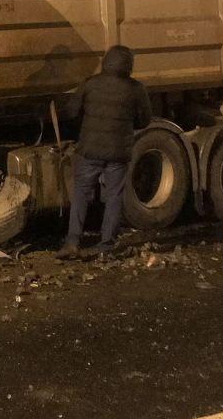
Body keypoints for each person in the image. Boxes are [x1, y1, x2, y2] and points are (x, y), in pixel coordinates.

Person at [57, 44, 152, 258]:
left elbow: (72, 112)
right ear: (129, 65)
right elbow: (145, 120)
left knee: (81, 193)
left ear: (105, 62)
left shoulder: (90, 84)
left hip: (89, 150)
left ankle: (72, 242)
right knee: (114, 196)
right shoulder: (136, 88)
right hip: (119, 152)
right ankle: (106, 245)